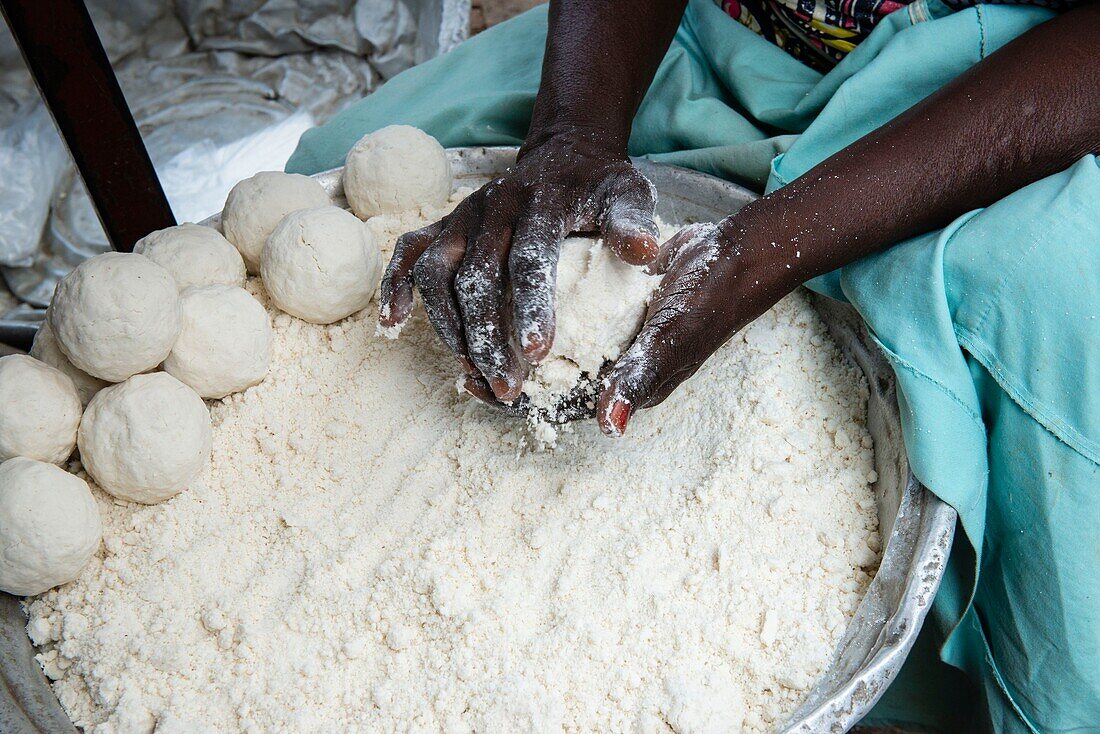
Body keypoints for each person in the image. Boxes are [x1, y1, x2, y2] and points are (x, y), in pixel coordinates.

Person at [287, 0, 1099, 730]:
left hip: (1002, 84)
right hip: (705, 34)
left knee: (1058, 365)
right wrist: (571, 133)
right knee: (333, 172)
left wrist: (760, 251)